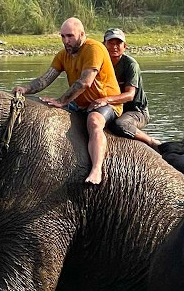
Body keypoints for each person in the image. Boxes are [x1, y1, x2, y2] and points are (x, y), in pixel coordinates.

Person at [12, 17, 122, 184]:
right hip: (80, 103)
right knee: (44, 106)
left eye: (70, 36)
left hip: (105, 102)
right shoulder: (63, 55)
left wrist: (62, 100)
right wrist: (25, 89)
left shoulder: (94, 49)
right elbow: (46, 79)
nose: (66, 41)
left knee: (94, 122)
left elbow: (85, 82)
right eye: (63, 36)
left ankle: (96, 169)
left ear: (82, 34)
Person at [90, 27, 159, 149]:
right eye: (110, 43)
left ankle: (151, 142)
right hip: (114, 108)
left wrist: (106, 100)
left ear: (124, 46)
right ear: (103, 45)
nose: (114, 47)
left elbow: (130, 95)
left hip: (135, 110)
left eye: (118, 43)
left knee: (120, 124)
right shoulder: (99, 63)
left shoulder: (130, 65)